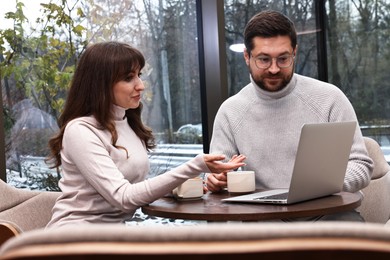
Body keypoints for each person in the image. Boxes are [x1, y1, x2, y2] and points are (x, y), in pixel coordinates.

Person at [45, 41, 246, 228]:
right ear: (101, 84)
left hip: (111, 235)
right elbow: (124, 197)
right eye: (128, 78)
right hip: (74, 238)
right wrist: (195, 166)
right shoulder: (80, 131)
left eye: (139, 75)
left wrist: (181, 186)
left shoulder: (127, 124)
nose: (140, 85)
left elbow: (135, 187)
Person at [206, 10, 373, 221]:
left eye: (283, 59)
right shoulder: (230, 111)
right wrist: (215, 181)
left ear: (295, 53)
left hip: (327, 216)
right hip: (263, 224)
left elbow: (362, 165)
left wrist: (320, 188)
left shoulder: (329, 98)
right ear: (247, 57)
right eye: (264, 59)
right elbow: (215, 174)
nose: (274, 69)